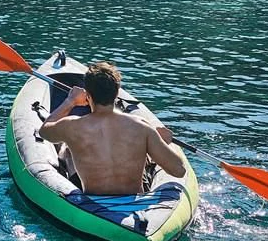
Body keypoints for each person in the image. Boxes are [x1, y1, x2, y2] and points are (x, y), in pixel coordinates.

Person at [37, 61, 187, 195]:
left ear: (88, 95)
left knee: (67, 151)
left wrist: (70, 101)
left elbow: (44, 131)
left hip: (94, 206)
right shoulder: (141, 127)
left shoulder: (73, 126)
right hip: (135, 205)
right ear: (116, 93)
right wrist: (163, 141)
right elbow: (179, 170)